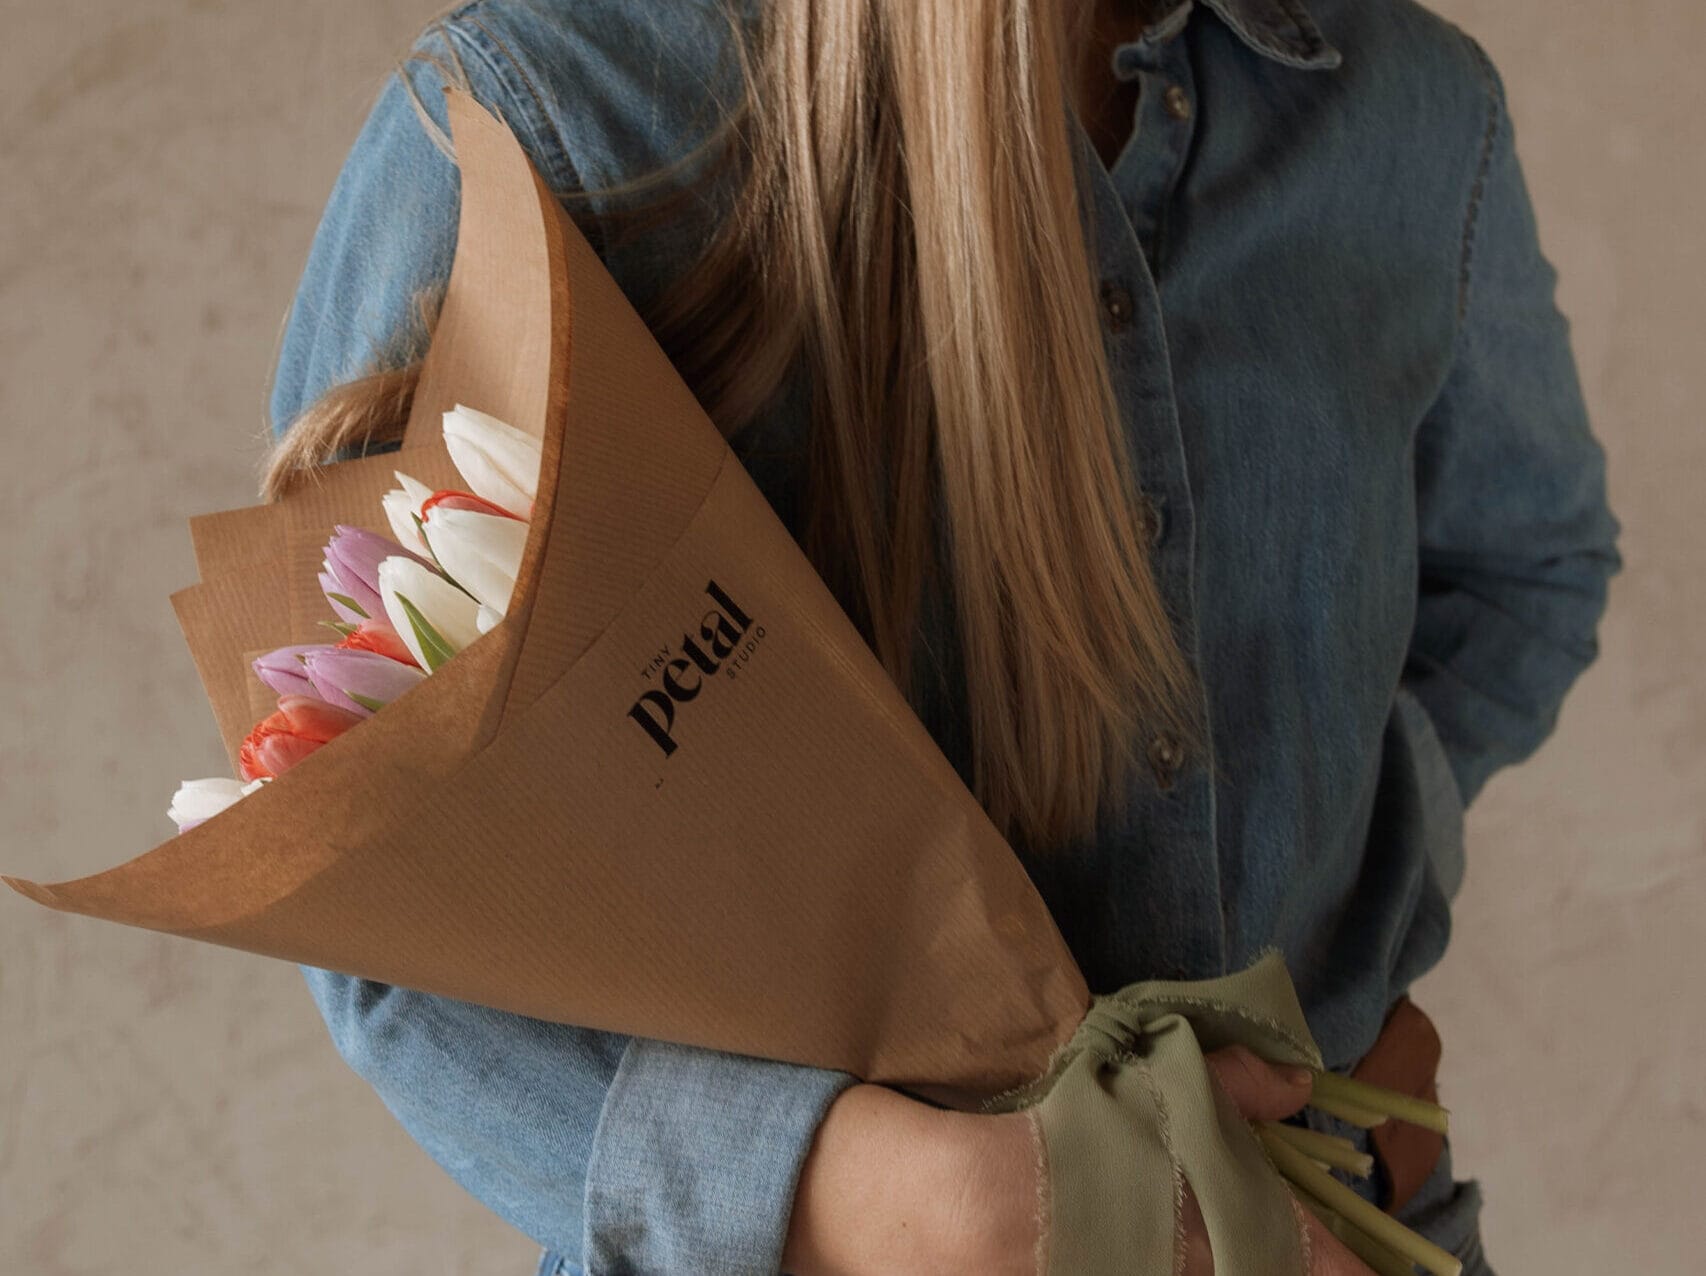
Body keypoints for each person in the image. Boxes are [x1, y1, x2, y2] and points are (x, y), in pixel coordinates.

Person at [263, 0, 1621, 1271]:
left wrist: (1353, 873)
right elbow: (366, 901)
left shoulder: (1410, 106)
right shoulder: (548, 120)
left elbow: (1524, 570)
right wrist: (870, 1195)